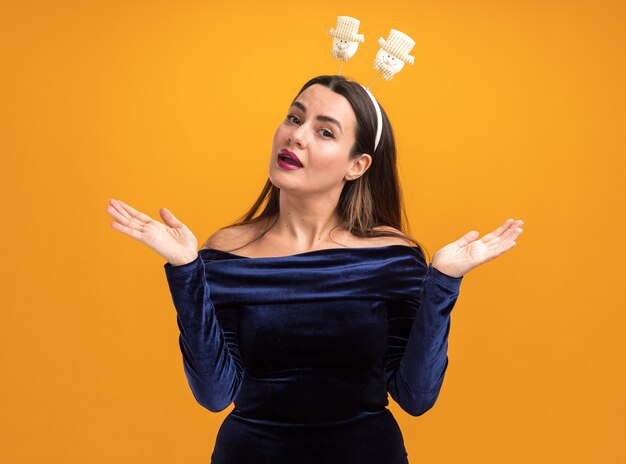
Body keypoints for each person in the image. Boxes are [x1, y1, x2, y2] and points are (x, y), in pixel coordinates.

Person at [105, 74, 524, 463]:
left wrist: (444, 282)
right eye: (294, 117)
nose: (296, 136)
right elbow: (215, 395)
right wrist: (185, 269)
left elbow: (416, 397)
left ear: (357, 165)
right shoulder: (225, 253)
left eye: (324, 131)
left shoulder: (391, 257)